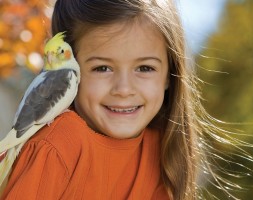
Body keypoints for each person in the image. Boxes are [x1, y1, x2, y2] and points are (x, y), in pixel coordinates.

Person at [1, 0, 211, 199]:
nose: (123, 89)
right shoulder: (56, 148)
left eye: (145, 68)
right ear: (73, 70)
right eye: (102, 68)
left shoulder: (162, 153)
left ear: (169, 74)